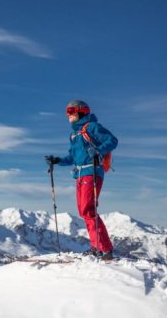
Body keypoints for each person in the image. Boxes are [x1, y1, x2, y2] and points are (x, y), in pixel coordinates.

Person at [45, 100, 118, 260]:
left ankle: (105, 250)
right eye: (67, 112)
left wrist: (98, 151)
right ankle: (97, 247)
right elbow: (72, 157)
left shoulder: (92, 127)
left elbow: (112, 140)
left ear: (82, 112)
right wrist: (57, 160)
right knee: (84, 211)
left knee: (88, 210)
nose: (68, 115)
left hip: (92, 171)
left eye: (71, 111)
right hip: (79, 174)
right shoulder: (74, 134)